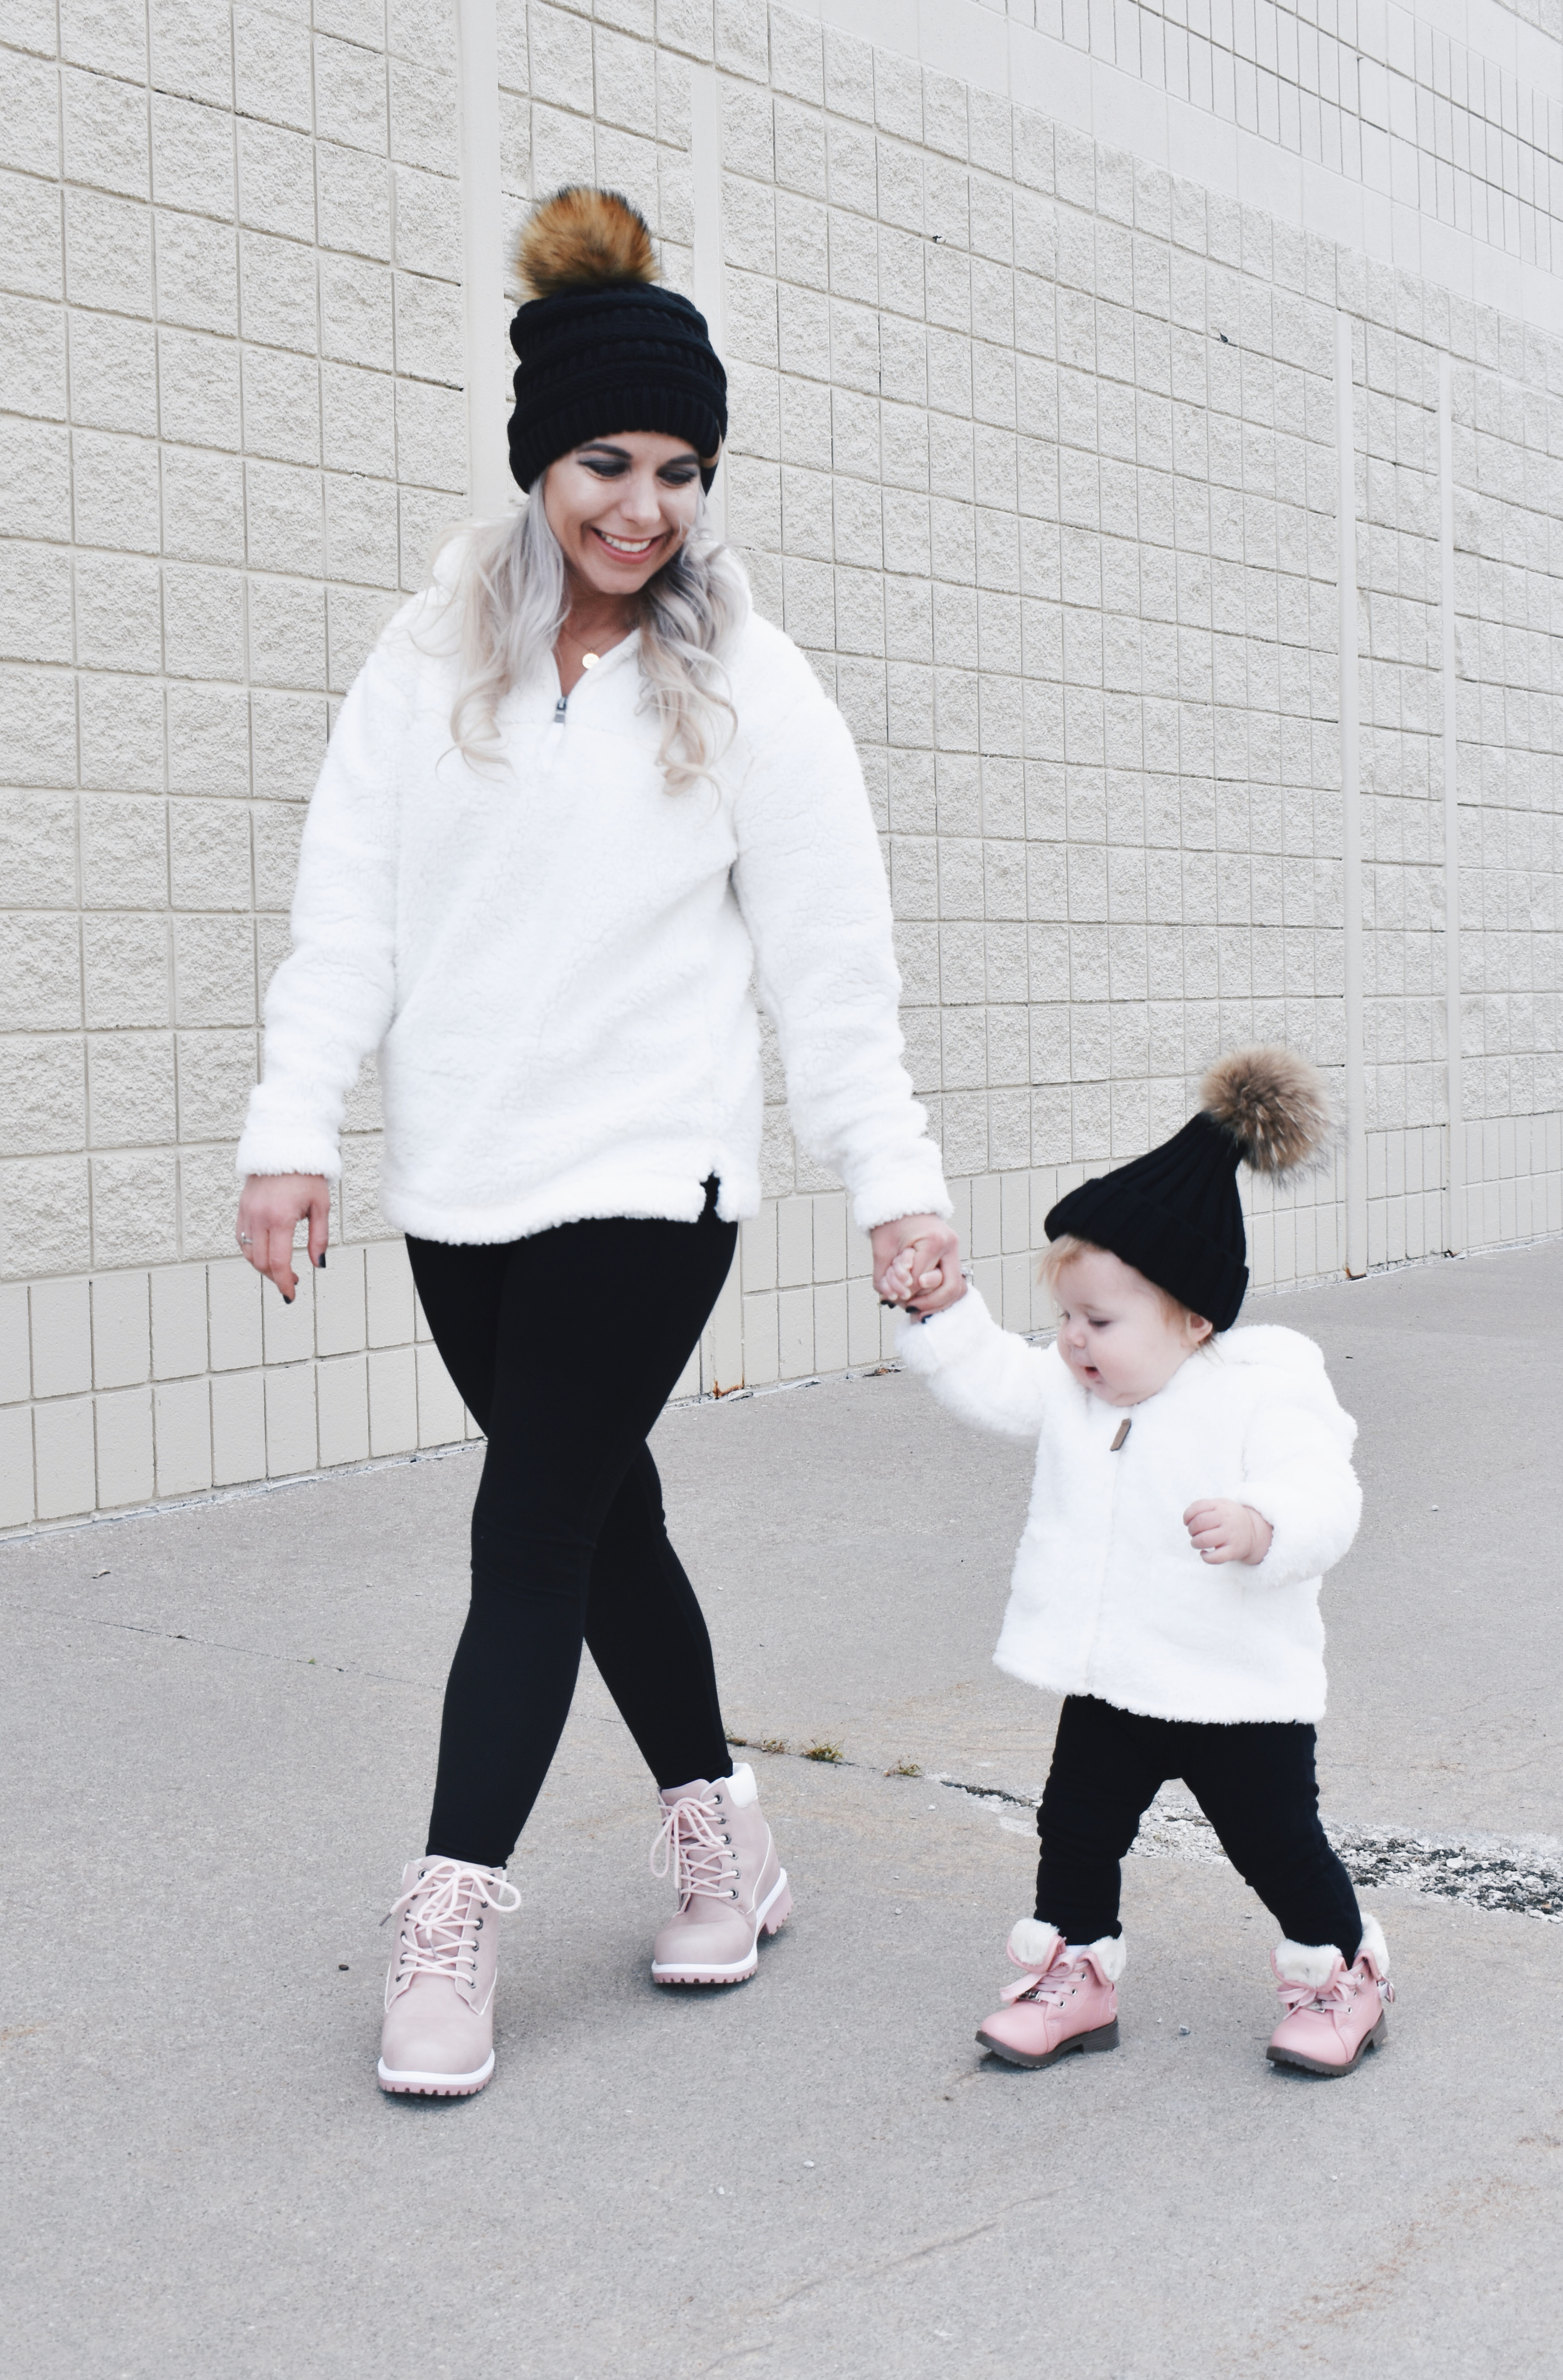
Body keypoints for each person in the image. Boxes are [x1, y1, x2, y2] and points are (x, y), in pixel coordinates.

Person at [233, 186, 962, 2098]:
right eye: (606, 463)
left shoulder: (750, 684)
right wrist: (291, 1132)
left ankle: (450, 1914)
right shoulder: (426, 658)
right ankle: (726, 1830)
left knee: (529, 1520)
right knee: (601, 1508)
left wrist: (896, 1188)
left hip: (659, 1178)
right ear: (538, 458)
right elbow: (349, 919)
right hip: (464, 1181)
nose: (645, 509)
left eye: (682, 471)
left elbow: (833, 970)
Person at [898, 1049, 1394, 2079]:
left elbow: (1326, 1495)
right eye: (1068, 1316)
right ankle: (1074, 1974)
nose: (1075, 1342)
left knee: (1275, 1845)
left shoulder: (1263, 1391)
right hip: (1115, 1676)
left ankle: (1341, 1972)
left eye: (1103, 1322)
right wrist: (942, 1311)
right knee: (1075, 1830)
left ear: (1195, 1319)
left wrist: (1264, 1525)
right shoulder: (1077, 1392)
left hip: (1236, 1690)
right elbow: (995, 1384)